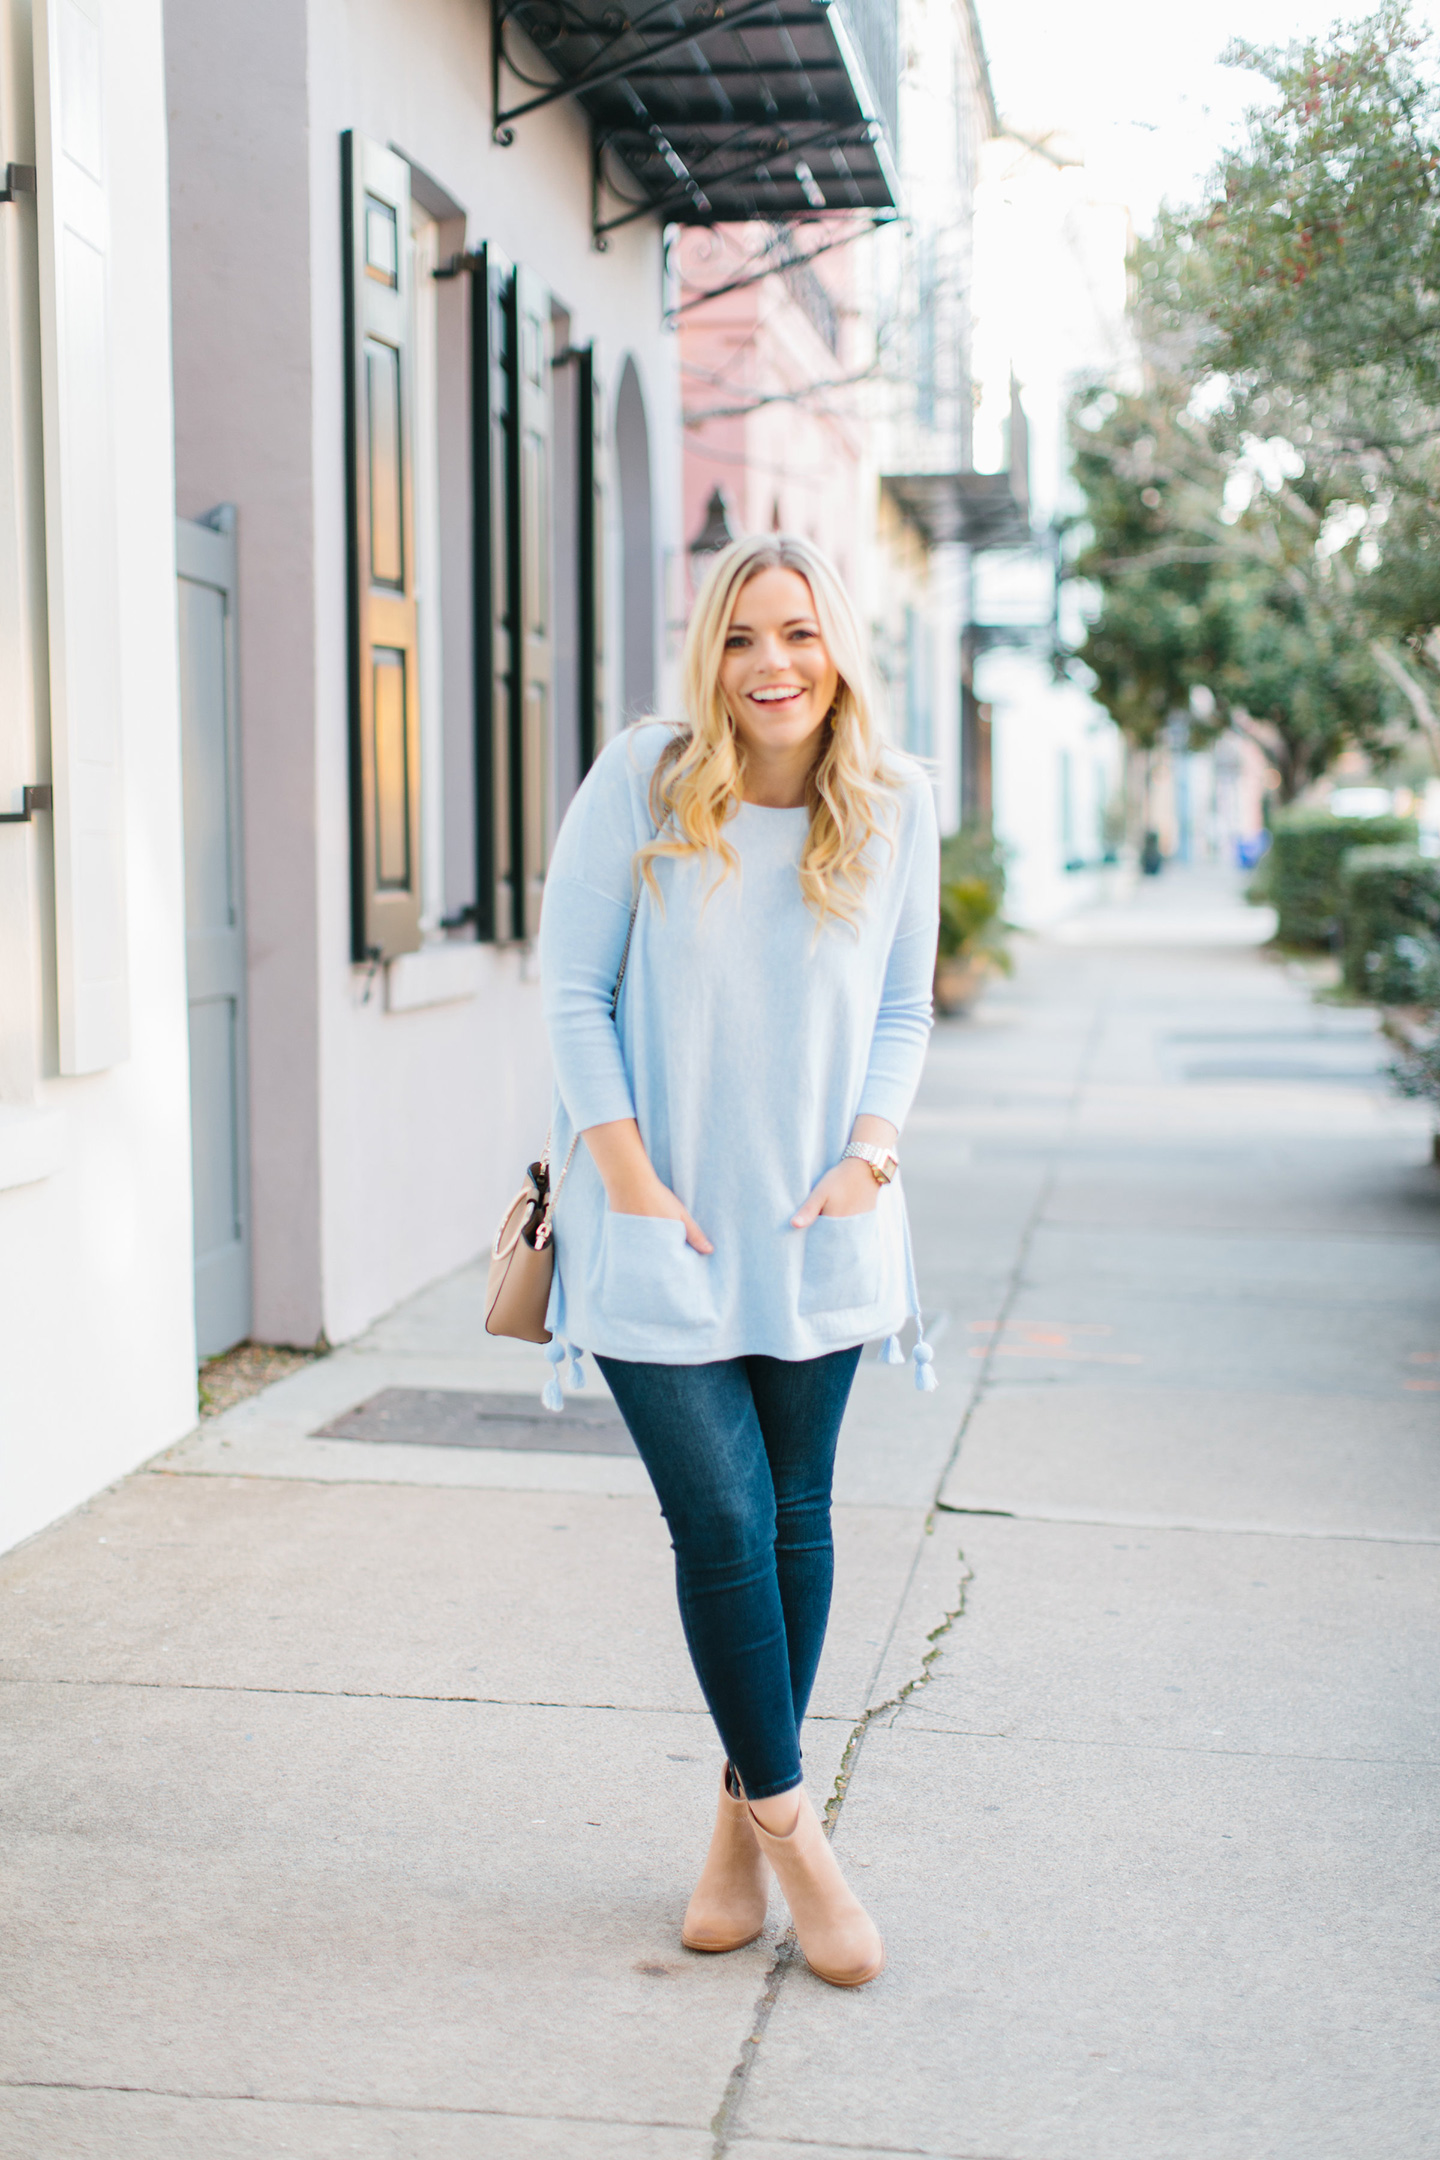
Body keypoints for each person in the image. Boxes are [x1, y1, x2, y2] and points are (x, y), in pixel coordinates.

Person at [537, 534, 939, 1989]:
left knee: (798, 1518)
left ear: (840, 651)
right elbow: (571, 991)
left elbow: (904, 1007)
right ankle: (799, 1841)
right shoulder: (644, 781)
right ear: (708, 654)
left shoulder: (893, 807)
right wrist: (632, 1180)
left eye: (800, 633)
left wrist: (868, 1159)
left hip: (817, 1225)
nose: (773, 664)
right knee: (722, 1522)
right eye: (741, 637)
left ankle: (730, 1836)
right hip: (657, 1231)